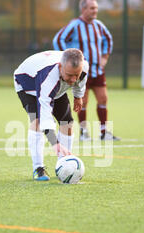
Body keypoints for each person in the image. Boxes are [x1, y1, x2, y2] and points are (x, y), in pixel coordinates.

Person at [14, 49, 89, 181]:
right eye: (70, 75)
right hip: (28, 85)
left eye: (76, 75)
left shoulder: (82, 68)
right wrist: (55, 143)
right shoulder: (48, 78)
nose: (73, 80)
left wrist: (78, 97)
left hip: (57, 88)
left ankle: (64, 163)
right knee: (36, 121)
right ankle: (38, 169)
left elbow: (80, 82)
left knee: (67, 122)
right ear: (60, 67)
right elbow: (45, 115)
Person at [53, 0, 119, 141]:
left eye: (96, 8)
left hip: (98, 69)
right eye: (92, 8)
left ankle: (103, 132)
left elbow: (108, 39)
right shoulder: (75, 25)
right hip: (82, 71)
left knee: (103, 99)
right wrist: (67, 60)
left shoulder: (99, 25)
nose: (95, 11)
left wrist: (105, 57)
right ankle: (84, 132)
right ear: (83, 9)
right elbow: (58, 39)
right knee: (83, 101)